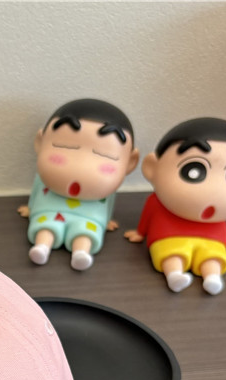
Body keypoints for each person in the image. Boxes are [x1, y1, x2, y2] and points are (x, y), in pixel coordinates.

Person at [125, 118, 226, 295]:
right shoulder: (157, 203)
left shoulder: (218, 219)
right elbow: (148, 216)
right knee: (171, 256)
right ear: (152, 168)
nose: (215, 189)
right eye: (193, 171)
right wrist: (140, 233)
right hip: (169, 236)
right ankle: (174, 276)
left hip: (211, 240)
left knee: (212, 258)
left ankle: (213, 278)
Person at [20, 98, 139, 271]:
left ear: (130, 162)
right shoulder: (41, 179)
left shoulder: (107, 193)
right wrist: (31, 208)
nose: (81, 166)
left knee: (85, 233)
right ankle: (41, 247)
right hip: (49, 210)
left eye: (104, 155)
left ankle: (81, 253)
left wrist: (106, 220)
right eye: (65, 146)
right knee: (46, 228)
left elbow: (109, 204)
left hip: (89, 217)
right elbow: (37, 193)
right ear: (40, 143)